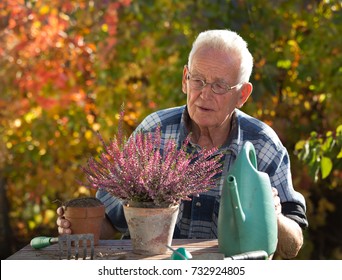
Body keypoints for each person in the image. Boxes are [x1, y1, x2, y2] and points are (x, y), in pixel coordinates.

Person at [57, 29, 308, 259]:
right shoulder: (153, 131)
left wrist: (271, 214)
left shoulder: (262, 144)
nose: (204, 94)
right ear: (185, 79)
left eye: (219, 86)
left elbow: (292, 246)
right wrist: (77, 227)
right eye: (198, 80)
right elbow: (110, 222)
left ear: (242, 95)